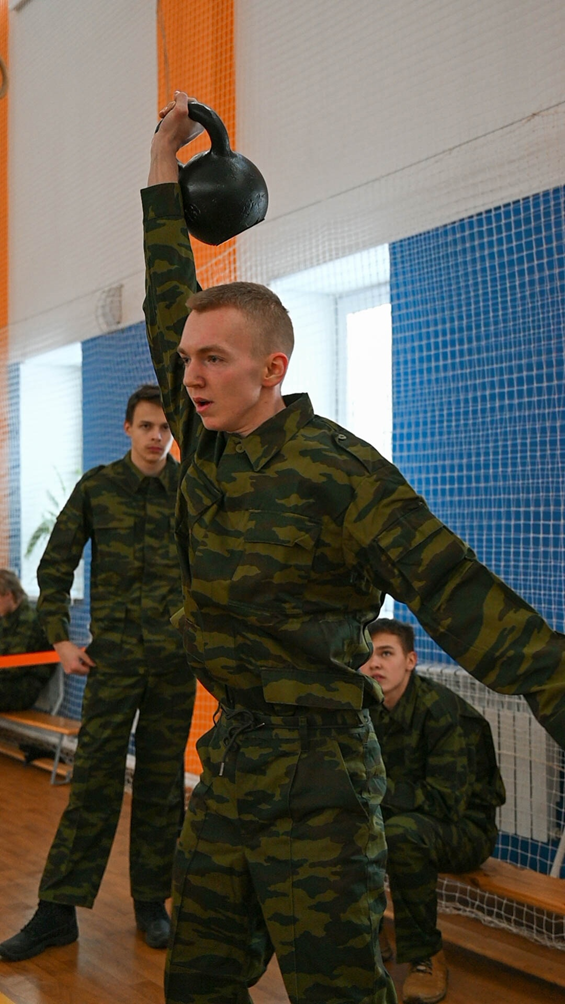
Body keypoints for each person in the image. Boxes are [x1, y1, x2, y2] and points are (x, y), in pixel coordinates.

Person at [141, 92, 565, 1004]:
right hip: (232, 759)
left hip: (320, 780)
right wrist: (160, 169)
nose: (190, 376)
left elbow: (457, 592)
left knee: (337, 994)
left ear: (272, 369)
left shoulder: (340, 473)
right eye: (185, 359)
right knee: (198, 981)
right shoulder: (205, 438)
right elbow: (165, 293)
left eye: (213, 359)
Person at [0, 384, 196, 961]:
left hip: (174, 666)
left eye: (165, 428)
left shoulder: (191, 490)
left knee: (162, 788)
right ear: (128, 428)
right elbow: (55, 565)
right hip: (113, 663)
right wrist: (59, 638)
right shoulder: (99, 488)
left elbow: (218, 569)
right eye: (146, 426)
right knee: (93, 785)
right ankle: (57, 912)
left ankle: (151, 904)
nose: (156, 436)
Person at [360, 618, 505, 1004]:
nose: (375, 664)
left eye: (386, 653)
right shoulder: (367, 709)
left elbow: (445, 802)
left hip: (466, 829)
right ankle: (369, 936)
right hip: (408, 819)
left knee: (401, 835)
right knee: (342, 823)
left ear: (410, 660)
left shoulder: (441, 711)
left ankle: (426, 955)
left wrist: (373, 792)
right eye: (368, 655)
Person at [0, 569, 52, 711]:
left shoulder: (30, 620)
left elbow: (14, 667)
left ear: (8, 595)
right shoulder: (6, 617)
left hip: (24, 685)